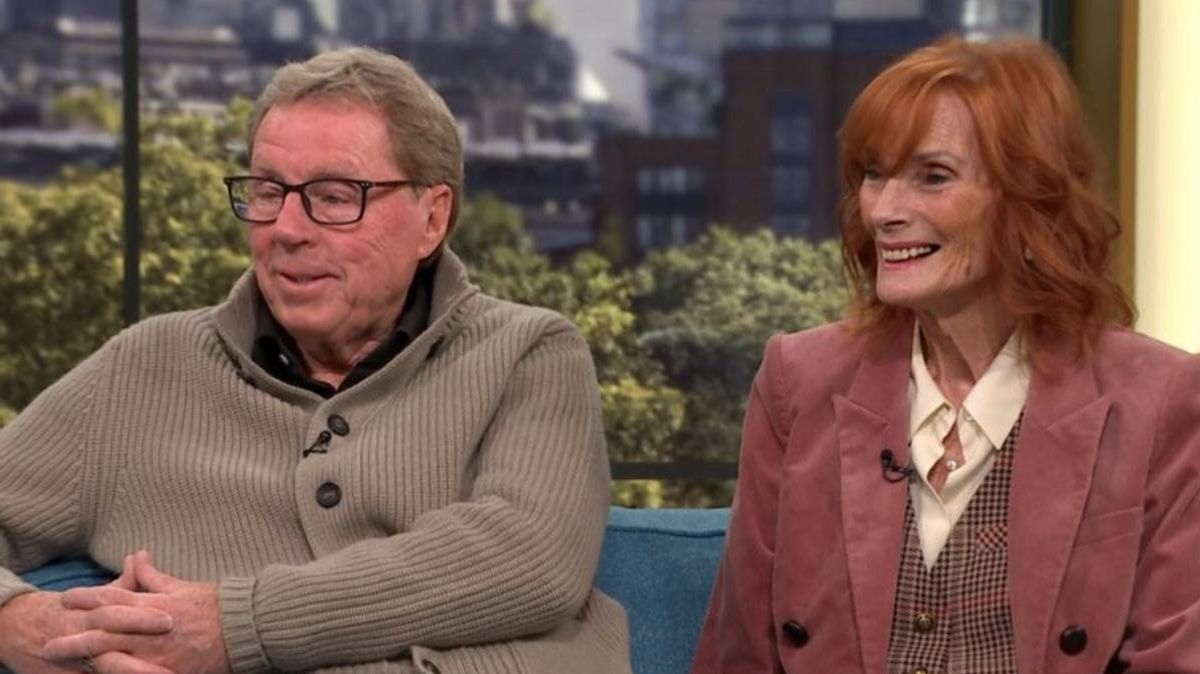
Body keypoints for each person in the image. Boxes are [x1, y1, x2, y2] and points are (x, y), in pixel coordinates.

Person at [0, 47, 630, 674]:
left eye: (333, 196)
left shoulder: (529, 355)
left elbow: (532, 558)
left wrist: (234, 625)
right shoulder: (142, 370)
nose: (287, 228)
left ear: (432, 217)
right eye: (268, 191)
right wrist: (18, 622)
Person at [692, 36, 1200, 674]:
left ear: (1028, 201)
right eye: (874, 175)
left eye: (933, 177)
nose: (884, 211)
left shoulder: (1162, 399)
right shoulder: (799, 381)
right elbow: (740, 655)